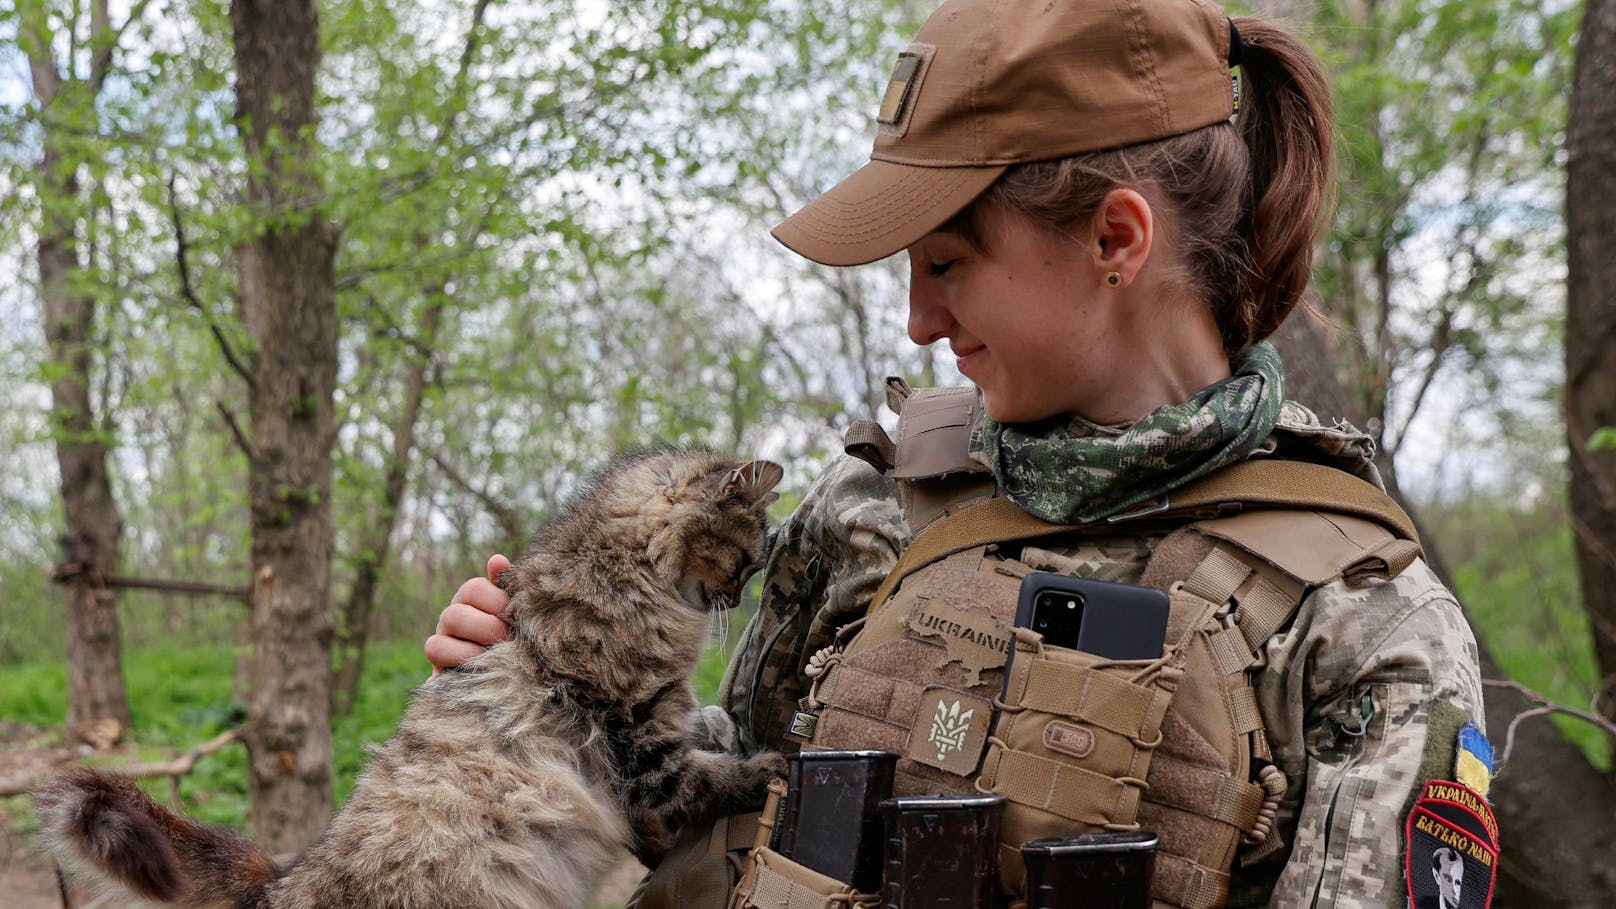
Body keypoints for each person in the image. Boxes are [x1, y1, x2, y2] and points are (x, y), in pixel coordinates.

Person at [425, 0, 1488, 906]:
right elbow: (726, 801)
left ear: (1115, 240)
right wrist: (562, 710)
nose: (919, 319)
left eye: (947, 262)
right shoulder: (873, 503)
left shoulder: (1362, 621)